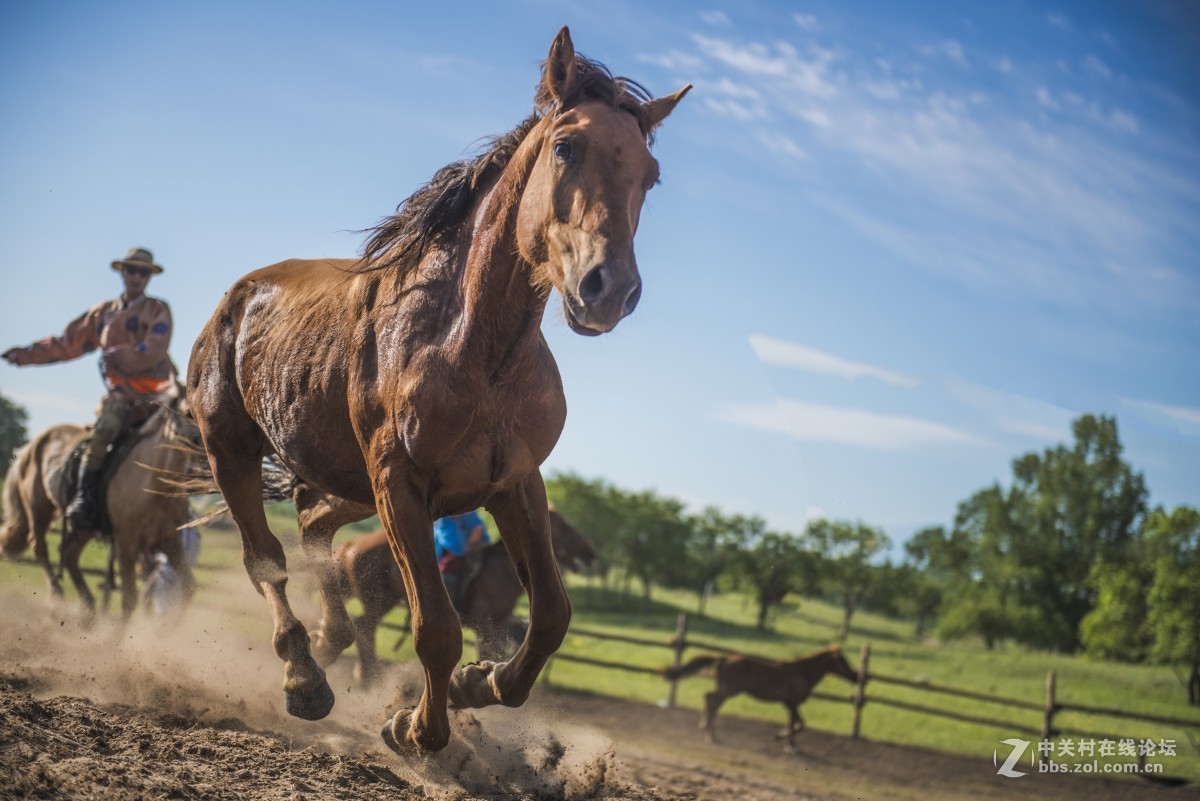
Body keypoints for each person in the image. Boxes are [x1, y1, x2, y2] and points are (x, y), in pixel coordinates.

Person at [2, 247, 175, 528]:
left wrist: (117, 354)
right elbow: (67, 343)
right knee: (104, 432)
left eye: (143, 272)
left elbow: (154, 350)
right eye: (132, 270)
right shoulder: (102, 314)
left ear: (149, 277)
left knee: (192, 432)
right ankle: (85, 498)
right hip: (122, 396)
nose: (137, 277)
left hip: (161, 395)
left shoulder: (158, 310)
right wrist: (25, 355)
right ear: (122, 272)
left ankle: (189, 502)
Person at [433, 510, 490, 608]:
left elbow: (478, 529)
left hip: (467, 550)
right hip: (450, 550)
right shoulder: (445, 513)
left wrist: (472, 543)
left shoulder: (467, 511)